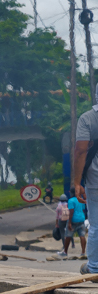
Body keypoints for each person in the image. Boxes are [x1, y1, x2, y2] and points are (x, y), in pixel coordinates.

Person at [72, 86, 98, 273]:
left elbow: (80, 150)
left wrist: (76, 182)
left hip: (95, 179)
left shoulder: (87, 118)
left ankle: (95, 266)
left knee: (96, 223)